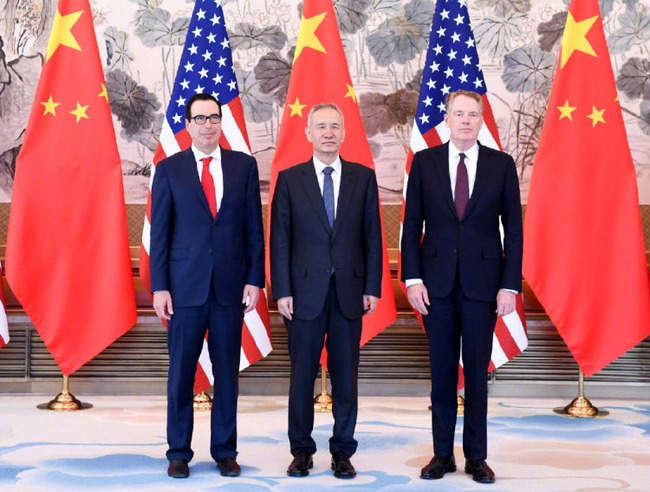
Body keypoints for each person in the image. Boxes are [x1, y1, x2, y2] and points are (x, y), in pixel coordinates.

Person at [401, 90, 523, 484]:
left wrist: (509, 286)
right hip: (434, 287)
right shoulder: (424, 162)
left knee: (475, 375)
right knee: (441, 377)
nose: (466, 120)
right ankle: (441, 455)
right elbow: (411, 226)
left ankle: (476, 457)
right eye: (459, 114)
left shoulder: (501, 165)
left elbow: (515, 232)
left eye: (473, 114)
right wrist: (413, 278)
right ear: (448, 119)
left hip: (483, 287)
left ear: (481, 120)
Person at [150, 93, 265, 479]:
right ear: (187, 124)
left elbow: (254, 229)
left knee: (227, 374)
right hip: (183, 290)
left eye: (213, 118)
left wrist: (255, 278)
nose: (207, 125)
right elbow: (161, 235)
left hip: (231, 288)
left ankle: (225, 451)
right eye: (199, 118)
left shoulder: (243, 167)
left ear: (221, 122)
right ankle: (178, 452)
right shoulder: (169, 169)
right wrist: (159, 286)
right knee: (181, 373)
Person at [270, 103, 382, 479]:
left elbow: (372, 237)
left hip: (349, 292)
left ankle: (342, 451)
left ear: (344, 133)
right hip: (302, 294)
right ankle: (301, 450)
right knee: (301, 375)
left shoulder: (363, 178)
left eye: (335, 126)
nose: (328, 133)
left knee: (346, 376)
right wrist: (281, 289)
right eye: (321, 126)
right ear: (308, 133)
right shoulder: (289, 178)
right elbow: (280, 239)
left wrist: (372, 286)